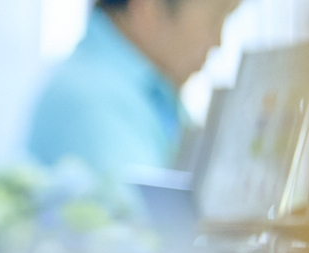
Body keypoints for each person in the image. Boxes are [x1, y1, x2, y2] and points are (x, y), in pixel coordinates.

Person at [27, 0, 241, 180]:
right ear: (148, 8)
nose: (218, 42)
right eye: (215, 19)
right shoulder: (91, 101)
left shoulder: (152, 92)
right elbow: (148, 215)